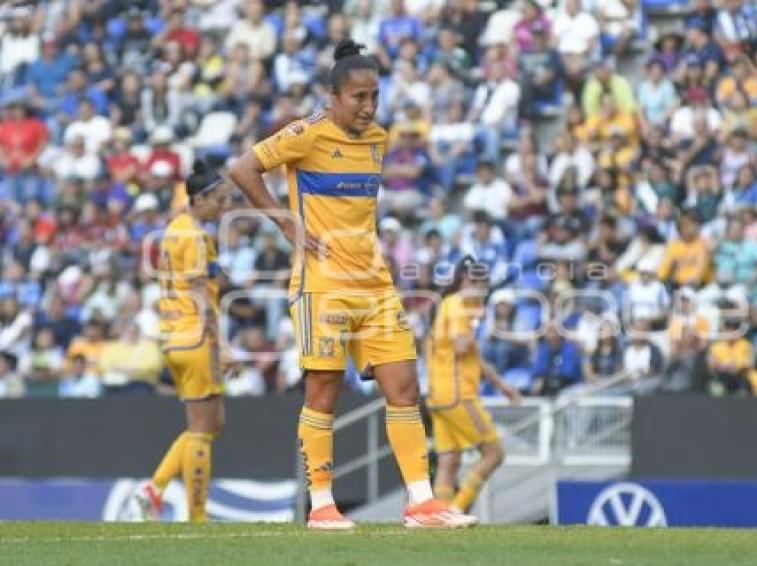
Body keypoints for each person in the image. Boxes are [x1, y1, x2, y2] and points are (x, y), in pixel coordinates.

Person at [227, 40, 476, 529]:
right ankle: (322, 505)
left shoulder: (378, 138)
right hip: (322, 283)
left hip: (375, 283)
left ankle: (421, 501)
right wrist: (285, 223)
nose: (367, 106)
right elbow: (243, 168)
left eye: (374, 97)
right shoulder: (306, 134)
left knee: (404, 386)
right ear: (334, 97)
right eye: (358, 97)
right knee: (323, 388)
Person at [134, 162, 230, 523]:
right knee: (203, 432)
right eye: (218, 200)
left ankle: (154, 489)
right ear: (200, 198)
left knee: (210, 423)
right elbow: (198, 291)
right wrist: (222, 344)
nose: (222, 207)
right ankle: (198, 516)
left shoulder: (173, 231)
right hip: (196, 337)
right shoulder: (196, 237)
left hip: (173, 338)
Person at [427, 256, 521, 514]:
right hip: (458, 395)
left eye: (481, 280)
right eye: (472, 279)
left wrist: (502, 386)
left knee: (449, 460)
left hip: (438, 396)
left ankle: (441, 515)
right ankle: (456, 509)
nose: (478, 285)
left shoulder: (448, 304)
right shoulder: (460, 306)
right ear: (462, 280)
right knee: (494, 453)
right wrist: (476, 322)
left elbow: (474, 358)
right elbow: (461, 346)